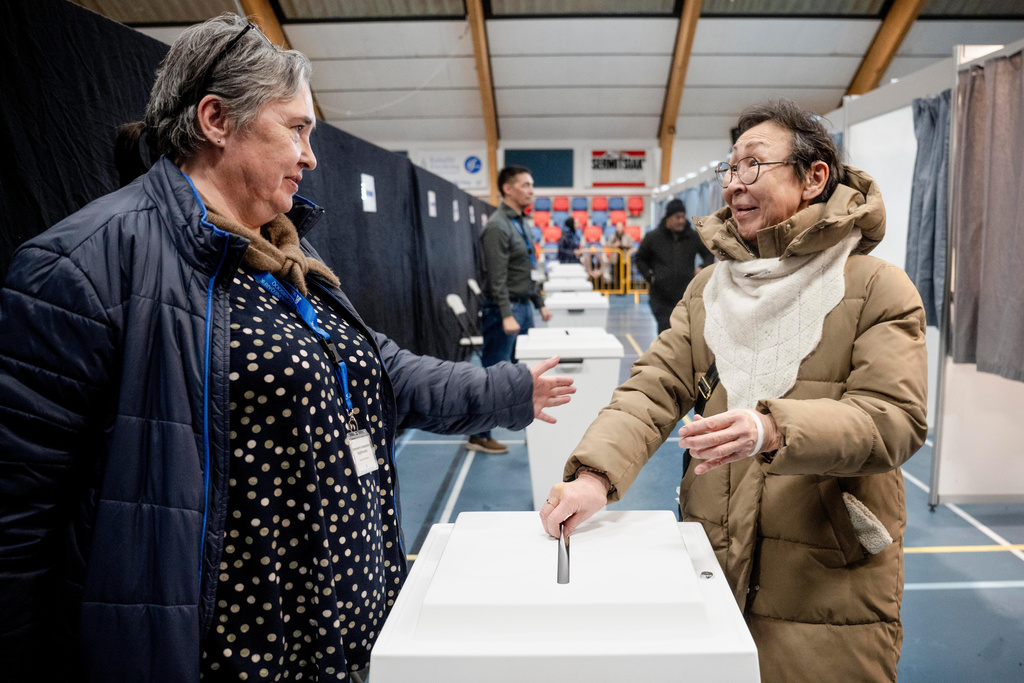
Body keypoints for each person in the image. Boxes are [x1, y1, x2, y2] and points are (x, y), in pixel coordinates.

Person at [0, 15, 575, 682]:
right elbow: (18, 524)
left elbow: (375, 369)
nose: (310, 155)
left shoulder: (279, 251)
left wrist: (505, 390)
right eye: (296, 128)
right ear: (217, 119)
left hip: (339, 632)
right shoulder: (83, 265)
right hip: (236, 653)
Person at [540, 99, 927, 682]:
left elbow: (892, 419)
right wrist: (596, 474)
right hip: (713, 545)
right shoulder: (709, 290)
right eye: (730, 168)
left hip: (824, 569)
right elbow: (654, 389)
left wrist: (773, 428)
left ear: (814, 177)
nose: (733, 185)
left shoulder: (876, 288)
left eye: (753, 166)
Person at [467, 165, 553, 454]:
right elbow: (497, 276)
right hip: (505, 311)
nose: (531, 190)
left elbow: (526, 268)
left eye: (532, 185)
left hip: (523, 307)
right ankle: (479, 434)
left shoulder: (520, 222)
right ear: (508, 189)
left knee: (522, 374)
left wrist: (539, 303)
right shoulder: (497, 226)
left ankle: (522, 422)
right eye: (526, 185)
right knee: (494, 375)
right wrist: (505, 314)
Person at [634, 197, 713, 333]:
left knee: (685, 334)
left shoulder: (693, 237)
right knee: (667, 333)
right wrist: (650, 276)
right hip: (661, 298)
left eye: (683, 217)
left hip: (685, 297)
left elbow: (709, 253)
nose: (681, 220)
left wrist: (701, 267)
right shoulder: (653, 237)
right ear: (668, 218)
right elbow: (640, 258)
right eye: (677, 217)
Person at [605, 221, 634, 289]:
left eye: (620, 227)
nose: (619, 229)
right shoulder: (613, 237)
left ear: (623, 228)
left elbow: (631, 245)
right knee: (616, 274)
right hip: (615, 259)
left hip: (624, 258)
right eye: (617, 227)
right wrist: (615, 245)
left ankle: (624, 288)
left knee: (624, 274)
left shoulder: (627, 236)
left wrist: (624, 245)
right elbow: (608, 245)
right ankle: (617, 288)